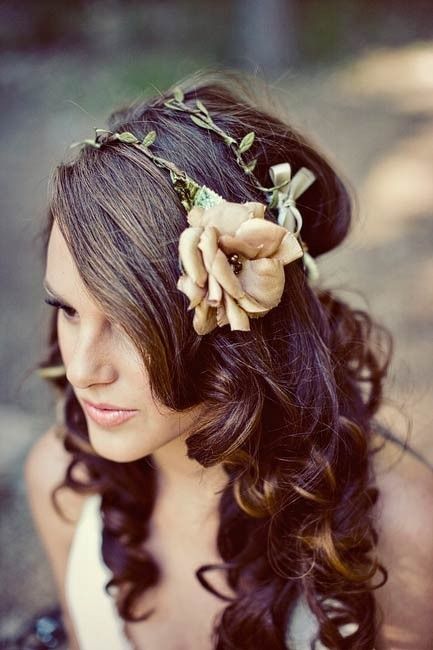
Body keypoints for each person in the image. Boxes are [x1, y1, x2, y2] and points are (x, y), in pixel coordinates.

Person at [24, 71, 433, 650]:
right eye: (67, 311)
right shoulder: (62, 483)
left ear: (239, 319)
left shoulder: (405, 535)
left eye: (131, 323)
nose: (84, 369)